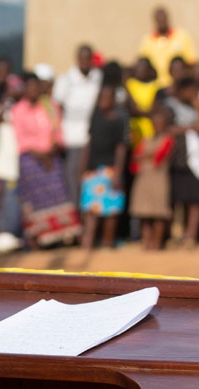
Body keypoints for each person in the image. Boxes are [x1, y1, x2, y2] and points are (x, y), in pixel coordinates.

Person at [11, 73, 81, 248]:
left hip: (52, 157)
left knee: (60, 193)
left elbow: (57, 132)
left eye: (36, 86)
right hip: (30, 160)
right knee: (32, 200)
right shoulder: (18, 110)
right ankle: (37, 238)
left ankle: (63, 236)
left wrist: (51, 151)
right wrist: (40, 156)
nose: (33, 90)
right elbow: (21, 139)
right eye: (30, 87)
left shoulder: (50, 106)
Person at [52, 44, 103, 207]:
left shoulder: (98, 77)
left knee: (91, 181)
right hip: (72, 139)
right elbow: (56, 108)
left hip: (94, 139)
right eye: (82, 58)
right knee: (73, 179)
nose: (85, 62)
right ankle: (74, 217)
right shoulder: (65, 80)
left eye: (88, 58)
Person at [79, 86, 129, 249]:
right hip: (93, 170)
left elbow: (121, 148)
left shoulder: (120, 119)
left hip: (110, 170)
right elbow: (89, 143)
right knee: (91, 210)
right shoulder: (95, 117)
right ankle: (87, 245)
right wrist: (82, 169)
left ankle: (108, 244)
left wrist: (117, 173)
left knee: (111, 211)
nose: (103, 101)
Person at [165, 76, 199, 249]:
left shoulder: (197, 107)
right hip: (176, 158)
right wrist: (188, 128)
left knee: (194, 199)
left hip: (194, 161)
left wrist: (198, 109)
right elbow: (167, 128)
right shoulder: (170, 105)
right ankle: (176, 234)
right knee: (176, 200)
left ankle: (191, 235)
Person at [130, 108, 175, 250]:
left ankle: (156, 243)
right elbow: (136, 157)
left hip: (159, 180)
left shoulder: (168, 139)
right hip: (144, 179)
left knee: (158, 214)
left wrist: (146, 156)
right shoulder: (146, 139)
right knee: (144, 213)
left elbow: (159, 157)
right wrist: (147, 156)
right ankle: (146, 242)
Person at [138, 6, 197, 88]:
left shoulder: (182, 36)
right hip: (155, 87)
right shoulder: (147, 40)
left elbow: (191, 62)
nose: (161, 21)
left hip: (178, 86)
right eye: (159, 19)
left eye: (163, 18)